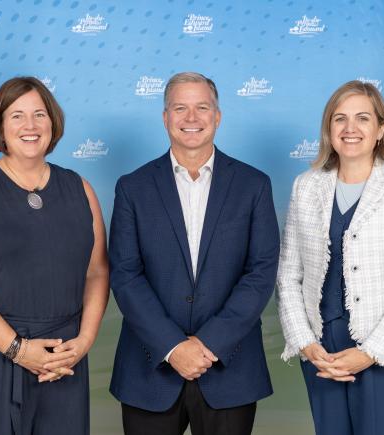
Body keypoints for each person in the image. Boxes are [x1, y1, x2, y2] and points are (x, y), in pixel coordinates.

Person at [108, 72, 280, 435]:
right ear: (165, 117)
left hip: (230, 367)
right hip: (149, 369)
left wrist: (209, 343)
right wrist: (173, 346)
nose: (191, 118)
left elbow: (261, 272)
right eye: (180, 108)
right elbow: (126, 275)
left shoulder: (254, 185)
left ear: (217, 116)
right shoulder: (132, 188)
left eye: (202, 107)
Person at [0, 76, 109, 435]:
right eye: (17, 116)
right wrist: (17, 349)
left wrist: (85, 341)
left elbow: (97, 273)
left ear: (52, 123)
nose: (30, 126)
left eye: (39, 114)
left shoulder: (81, 189)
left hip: (62, 359)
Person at [276, 80, 384, 435]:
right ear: (328, 129)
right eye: (340, 119)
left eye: (363, 118)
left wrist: (369, 353)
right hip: (322, 352)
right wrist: (306, 343)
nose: (350, 128)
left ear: (380, 129)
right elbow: (288, 276)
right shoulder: (306, 186)